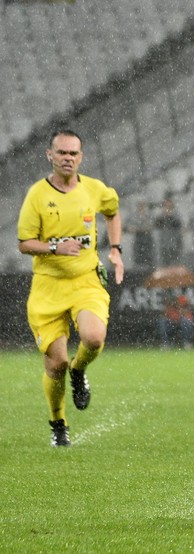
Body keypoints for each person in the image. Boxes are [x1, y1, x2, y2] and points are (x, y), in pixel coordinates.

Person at [16, 130, 125, 447]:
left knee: (94, 337)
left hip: (85, 280)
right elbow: (24, 243)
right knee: (56, 363)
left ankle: (79, 370)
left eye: (73, 153)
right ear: (49, 155)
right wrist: (55, 247)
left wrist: (115, 248)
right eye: (62, 152)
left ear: (81, 157)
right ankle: (58, 424)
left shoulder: (94, 189)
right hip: (48, 286)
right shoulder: (37, 194)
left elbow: (112, 211)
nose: (67, 158)